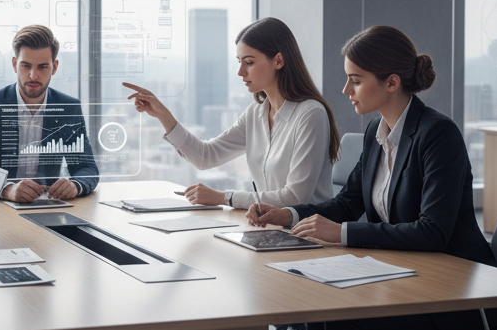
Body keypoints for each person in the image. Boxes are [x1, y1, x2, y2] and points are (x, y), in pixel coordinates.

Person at [250, 25, 497, 330]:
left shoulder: (437, 135)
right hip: (413, 282)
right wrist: (289, 215)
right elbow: (347, 201)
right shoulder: (376, 131)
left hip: (463, 300)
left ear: (391, 82)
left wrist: (341, 234)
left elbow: (433, 232)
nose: (345, 90)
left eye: (355, 79)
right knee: (326, 308)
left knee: (345, 318)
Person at [123, 17, 339, 209]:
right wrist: (163, 115)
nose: (240, 72)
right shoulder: (255, 114)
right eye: (239, 62)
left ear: (279, 61)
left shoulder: (310, 114)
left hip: (310, 236)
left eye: (249, 62)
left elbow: (295, 198)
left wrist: (223, 197)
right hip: (272, 230)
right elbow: (206, 157)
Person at [0, 24, 99, 203]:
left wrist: (75, 185)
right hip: (0, 210)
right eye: (26, 66)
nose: (33, 76)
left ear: (54, 68)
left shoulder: (69, 107)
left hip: (48, 207)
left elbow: (87, 168)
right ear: (15, 65)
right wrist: (6, 190)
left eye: (42, 67)